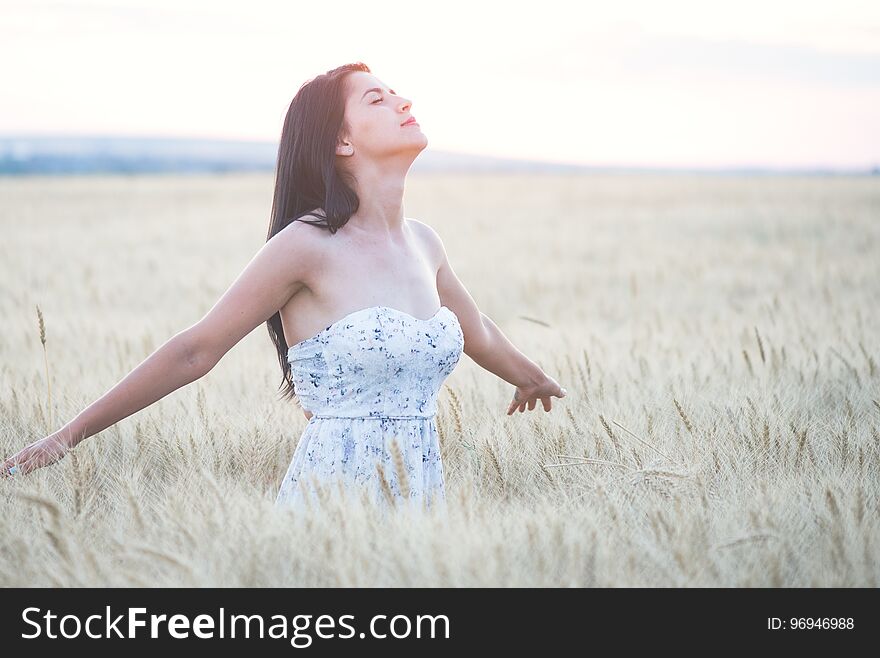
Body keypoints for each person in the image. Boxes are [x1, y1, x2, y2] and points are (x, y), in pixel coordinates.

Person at [0, 62, 567, 512]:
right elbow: (196, 350)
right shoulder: (306, 245)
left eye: (396, 92)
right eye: (377, 98)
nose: (403, 101)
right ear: (341, 142)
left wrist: (529, 375)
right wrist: (66, 437)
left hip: (420, 491)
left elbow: (478, 332)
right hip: (335, 499)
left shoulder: (425, 244)